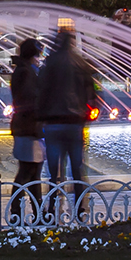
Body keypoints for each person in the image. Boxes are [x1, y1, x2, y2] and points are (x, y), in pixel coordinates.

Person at [36, 18, 100, 204]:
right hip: (74, 122)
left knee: (54, 171)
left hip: (53, 122)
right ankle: (80, 207)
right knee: (77, 168)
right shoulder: (80, 63)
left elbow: (41, 91)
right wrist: (89, 113)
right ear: (72, 41)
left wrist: (40, 117)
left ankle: (52, 207)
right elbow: (92, 93)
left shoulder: (50, 64)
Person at [6, 37, 44, 213]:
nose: (40, 58)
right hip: (28, 127)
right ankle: (17, 211)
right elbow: (30, 100)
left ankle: (38, 211)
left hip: (27, 127)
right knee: (27, 171)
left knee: (33, 171)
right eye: (38, 54)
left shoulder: (23, 70)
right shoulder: (26, 72)